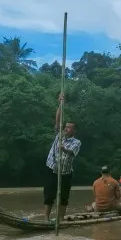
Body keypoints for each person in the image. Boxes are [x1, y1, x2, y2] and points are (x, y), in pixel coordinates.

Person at [43, 92, 81, 222]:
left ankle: (60, 219)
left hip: (66, 173)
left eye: (69, 128)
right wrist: (60, 103)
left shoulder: (76, 142)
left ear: (74, 131)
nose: (66, 129)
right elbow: (58, 120)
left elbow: (71, 153)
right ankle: (46, 219)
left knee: (64, 197)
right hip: (52, 169)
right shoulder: (60, 134)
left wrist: (64, 148)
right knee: (49, 194)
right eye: (66, 127)